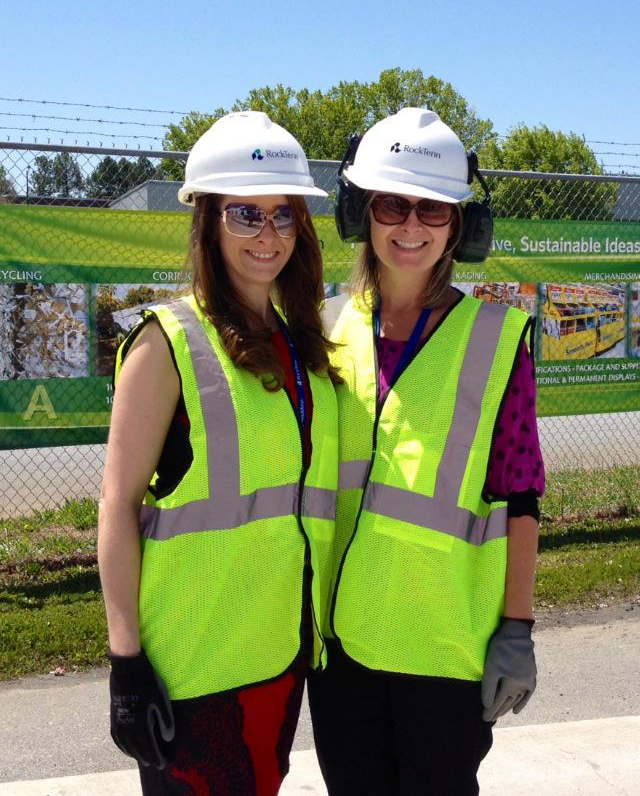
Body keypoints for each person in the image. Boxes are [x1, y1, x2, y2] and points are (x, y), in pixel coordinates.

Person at [98, 110, 339, 796]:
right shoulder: (165, 343)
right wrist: (126, 663)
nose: (267, 236)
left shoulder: (299, 347)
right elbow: (116, 504)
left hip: (276, 662)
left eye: (283, 215)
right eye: (244, 214)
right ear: (207, 221)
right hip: (193, 673)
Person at [308, 107, 545, 796]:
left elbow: (521, 493)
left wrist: (517, 628)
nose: (411, 226)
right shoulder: (325, 325)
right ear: (361, 211)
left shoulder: (495, 340)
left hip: (444, 651)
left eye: (434, 209)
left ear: (460, 226)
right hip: (340, 645)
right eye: (392, 204)